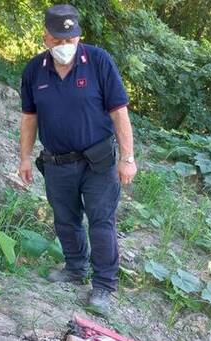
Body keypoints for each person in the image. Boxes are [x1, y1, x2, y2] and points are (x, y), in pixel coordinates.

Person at [17, 4, 137, 311]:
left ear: (78, 36)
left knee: (101, 222)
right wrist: (25, 158)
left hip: (98, 162)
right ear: (46, 38)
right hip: (57, 163)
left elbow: (119, 112)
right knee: (65, 221)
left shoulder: (99, 61)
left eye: (69, 39)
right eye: (57, 40)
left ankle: (104, 285)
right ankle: (74, 268)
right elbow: (29, 118)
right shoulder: (34, 71)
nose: (64, 46)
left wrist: (127, 157)